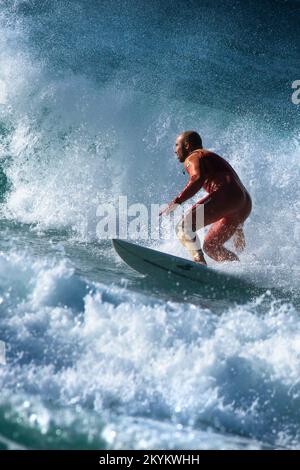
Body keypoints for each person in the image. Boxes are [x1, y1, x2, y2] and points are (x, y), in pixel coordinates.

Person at [160, 131, 252, 265]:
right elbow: (235, 190)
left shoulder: (193, 156)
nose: (175, 150)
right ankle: (239, 270)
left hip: (227, 196)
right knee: (211, 246)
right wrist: (238, 226)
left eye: (176, 145)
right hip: (244, 204)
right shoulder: (209, 157)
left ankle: (199, 262)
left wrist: (177, 201)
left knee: (183, 227)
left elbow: (197, 178)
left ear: (187, 145)